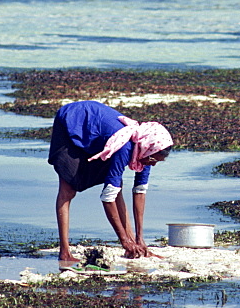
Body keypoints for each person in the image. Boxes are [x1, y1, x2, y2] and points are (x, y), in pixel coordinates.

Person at [48, 100, 173, 269]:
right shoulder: (127, 147)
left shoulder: (147, 153)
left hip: (96, 131)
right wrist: (123, 241)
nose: (153, 163)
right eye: (153, 159)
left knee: (116, 183)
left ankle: (132, 243)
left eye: (157, 161)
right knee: (68, 189)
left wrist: (139, 239)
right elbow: (107, 198)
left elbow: (140, 192)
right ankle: (64, 251)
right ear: (147, 149)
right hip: (73, 121)